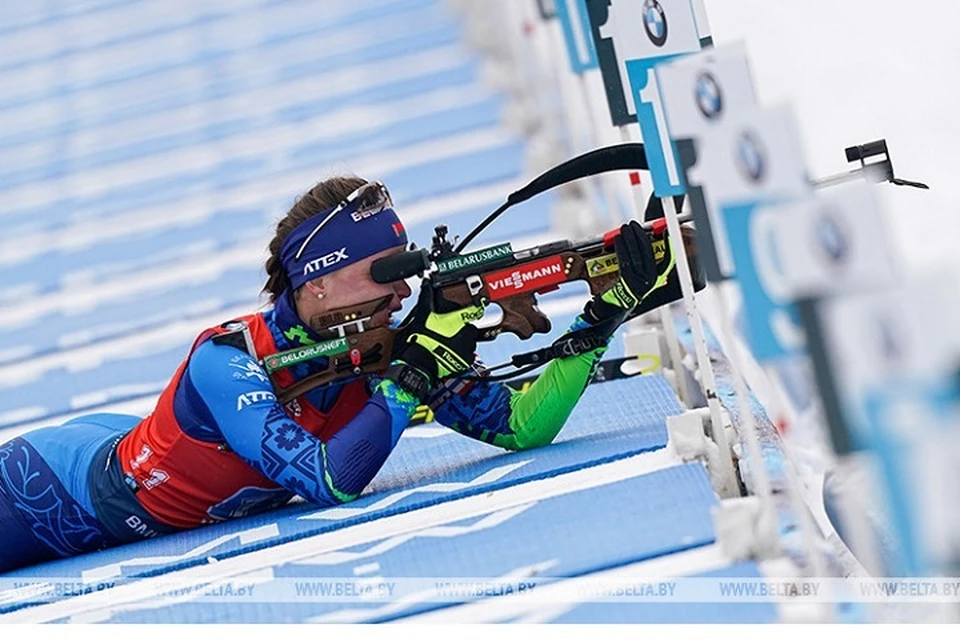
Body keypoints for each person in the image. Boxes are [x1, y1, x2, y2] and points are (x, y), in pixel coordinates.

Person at [0, 176, 669, 573]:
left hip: (131, 457)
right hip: (49, 493)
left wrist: (602, 316)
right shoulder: (225, 361)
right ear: (315, 284)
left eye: (404, 268)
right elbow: (327, 481)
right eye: (382, 273)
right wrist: (413, 373)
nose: (402, 293)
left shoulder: (383, 352)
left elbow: (525, 427)